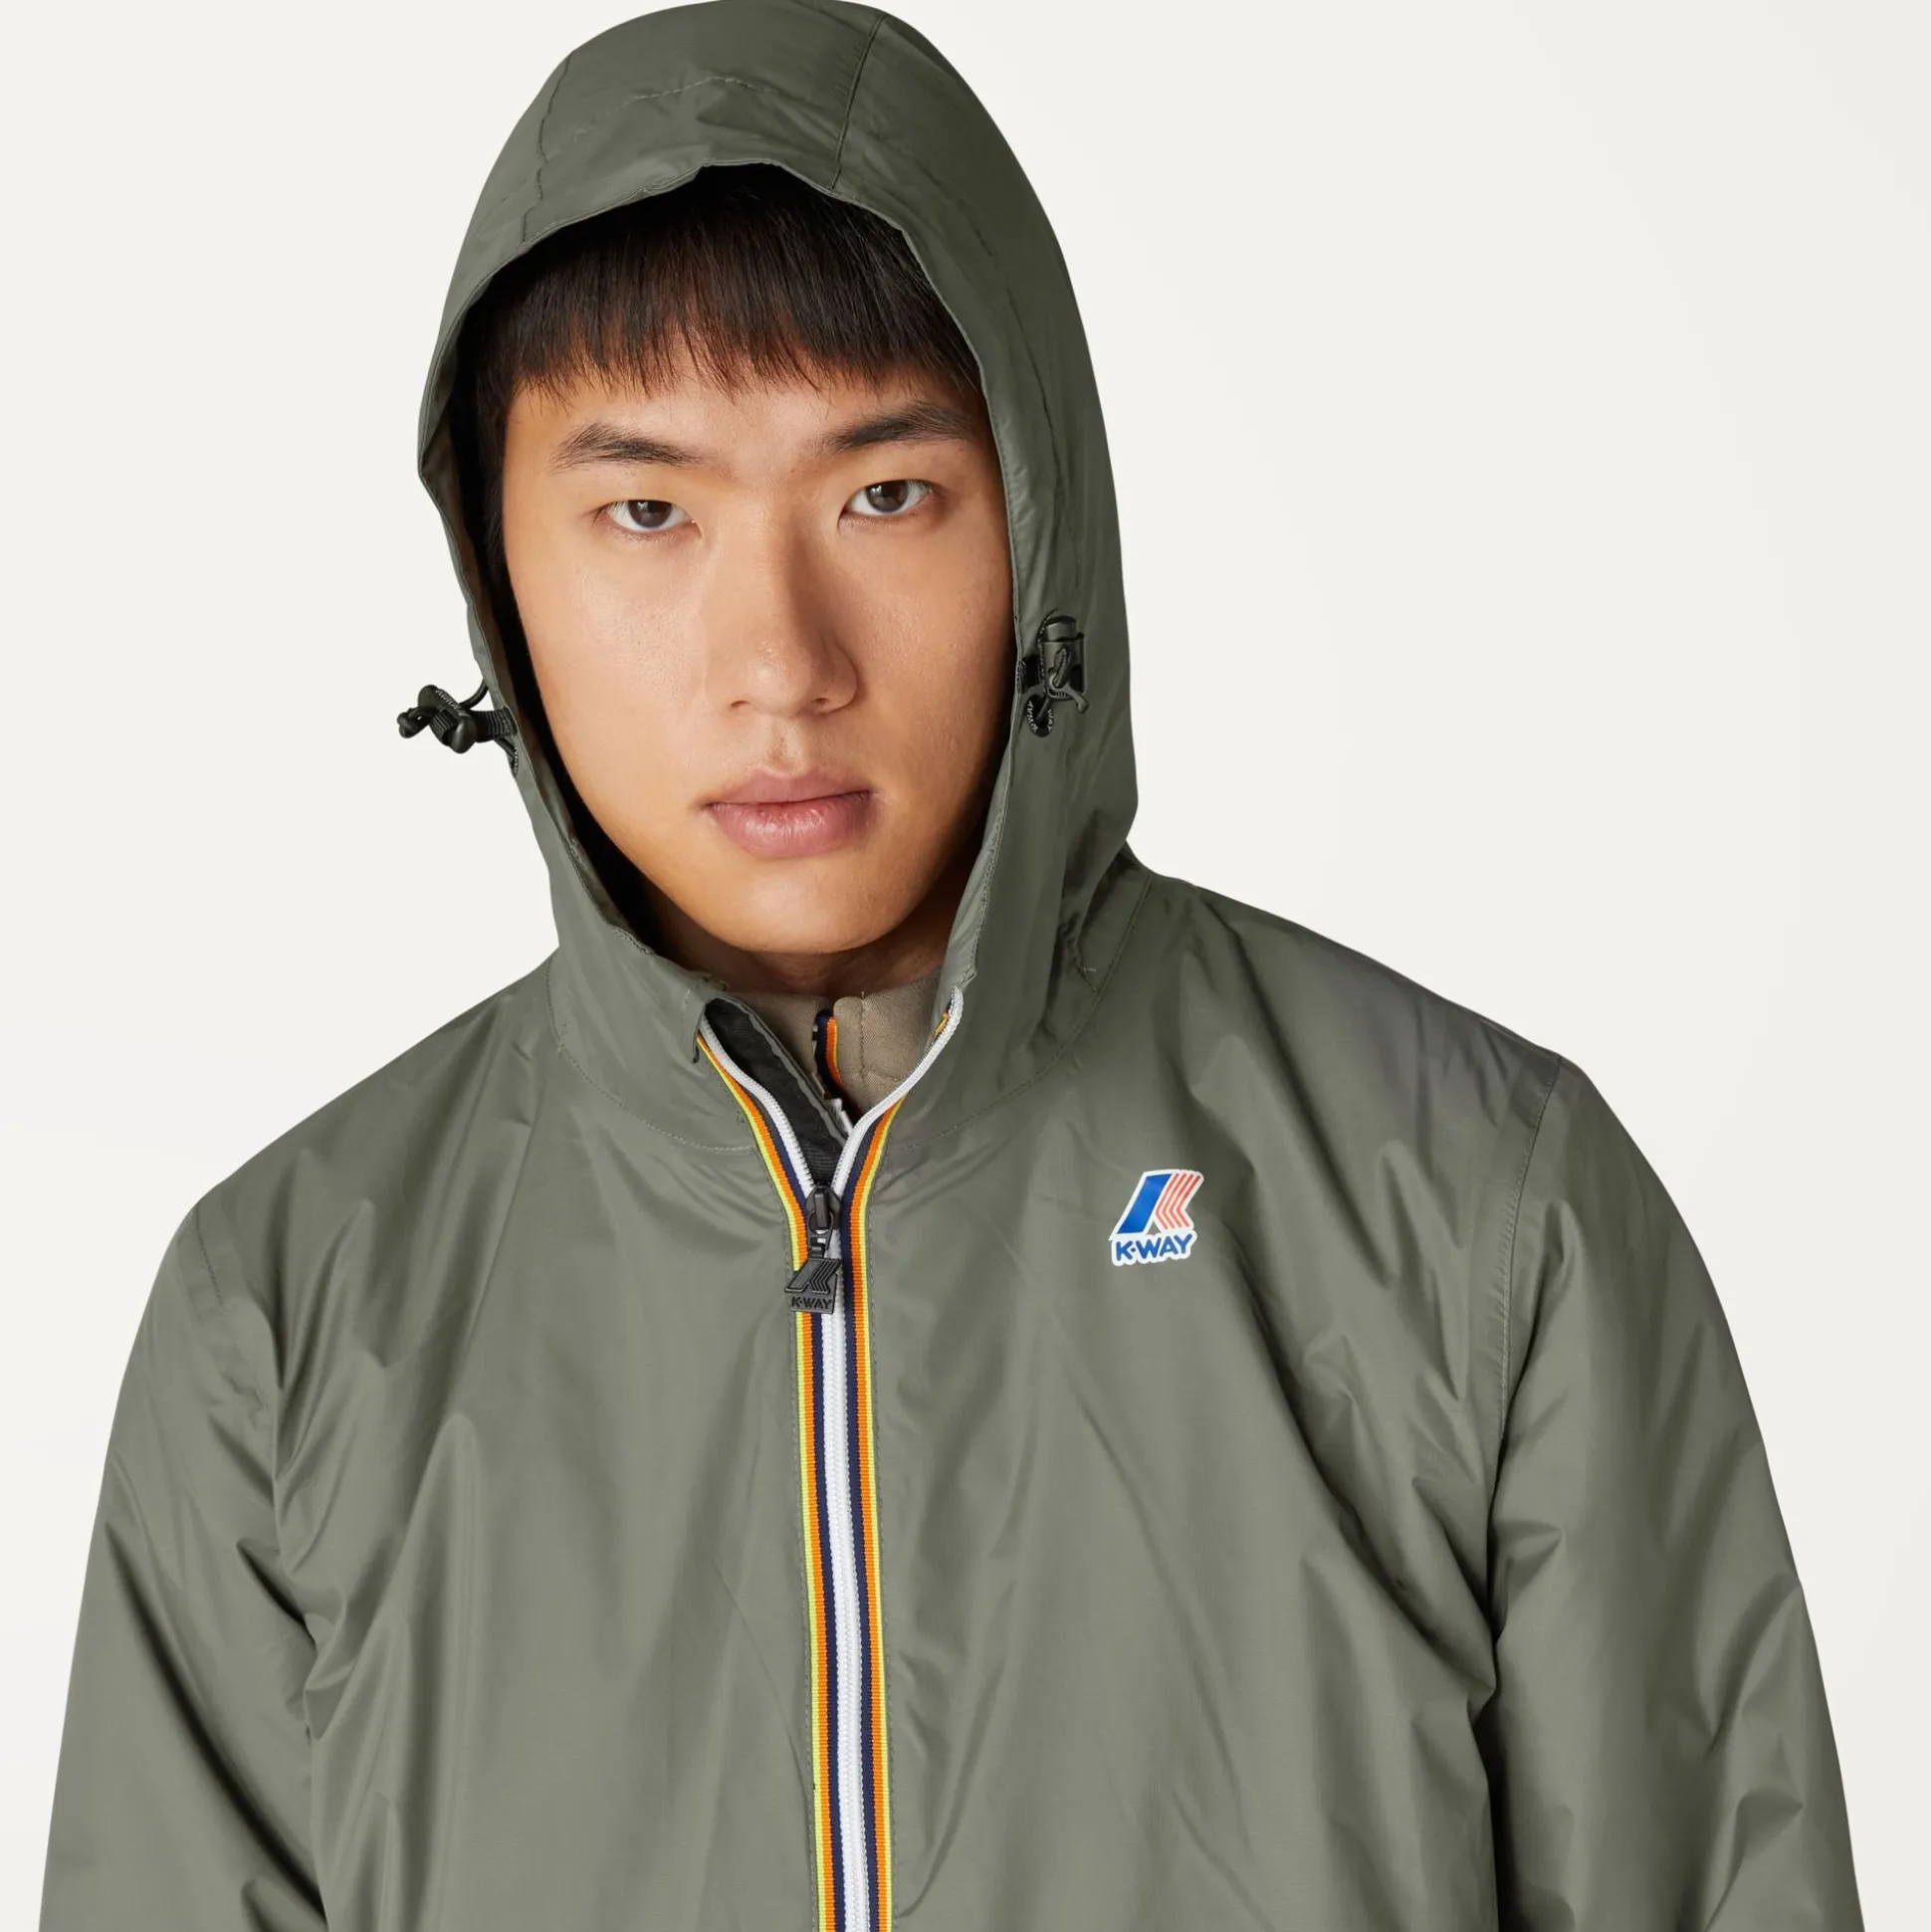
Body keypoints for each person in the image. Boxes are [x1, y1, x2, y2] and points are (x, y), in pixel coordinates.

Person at [37, 2, 1865, 1927]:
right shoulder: (291, 1315)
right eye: (645, 511)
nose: (780, 661)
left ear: (1041, 533)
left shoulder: (1478, 1210)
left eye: (885, 496)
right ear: (500, 580)